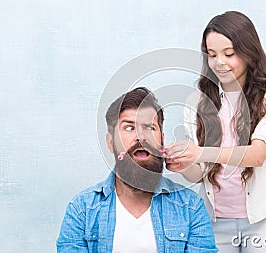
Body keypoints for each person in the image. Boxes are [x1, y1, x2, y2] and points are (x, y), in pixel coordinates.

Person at [165, 11, 266, 252]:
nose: (219, 63)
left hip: (262, 220)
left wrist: (200, 152)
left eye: (229, 54)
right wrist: (184, 164)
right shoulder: (196, 103)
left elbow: (257, 155)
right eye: (212, 55)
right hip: (214, 220)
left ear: (249, 53)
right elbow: (199, 175)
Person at [56, 87, 217, 253]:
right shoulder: (81, 210)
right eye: (129, 128)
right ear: (111, 142)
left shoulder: (191, 208)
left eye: (149, 127)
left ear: (162, 140)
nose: (140, 137)